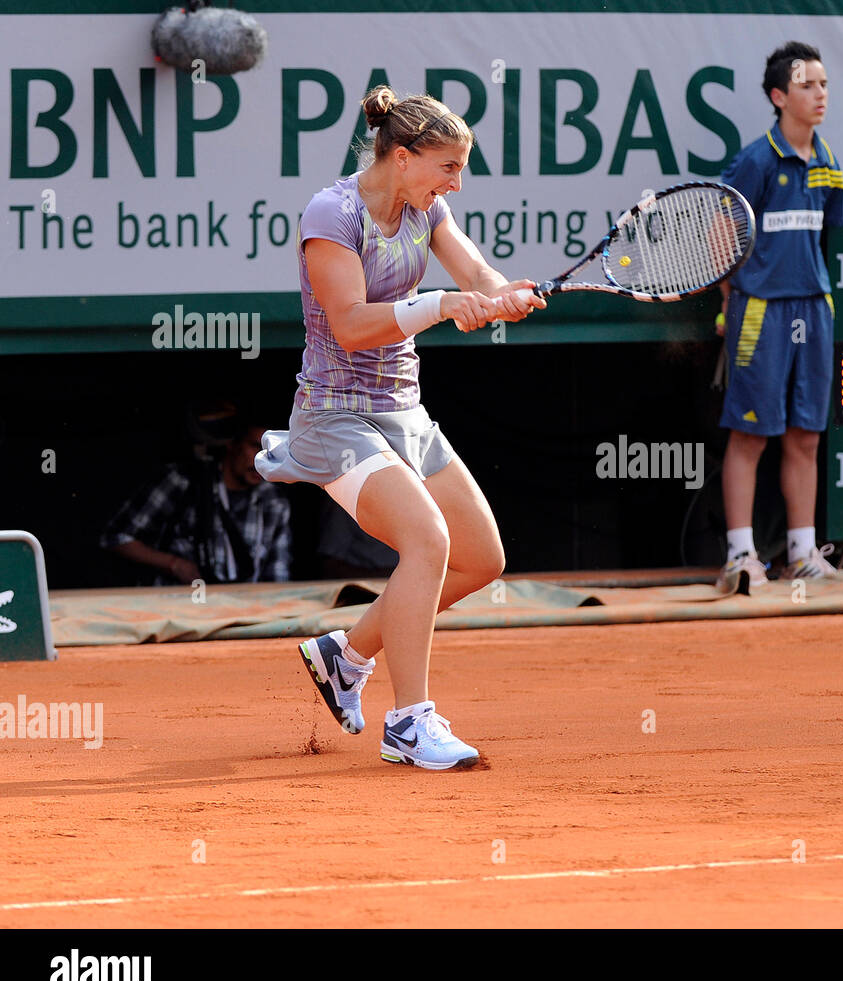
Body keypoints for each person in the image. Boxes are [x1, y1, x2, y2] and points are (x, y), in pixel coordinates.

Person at [256, 85, 543, 771]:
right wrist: (443, 305)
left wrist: (501, 297)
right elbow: (352, 326)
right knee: (427, 539)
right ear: (405, 157)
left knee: (481, 556)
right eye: (448, 167)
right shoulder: (334, 212)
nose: (457, 184)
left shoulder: (427, 207)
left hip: (405, 411)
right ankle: (409, 723)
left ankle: (345, 653)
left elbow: (476, 272)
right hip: (335, 415)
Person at [714, 41, 843, 593]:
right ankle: (740, 557)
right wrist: (730, 300)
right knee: (750, 438)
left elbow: (828, 235)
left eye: (823, 84)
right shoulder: (754, 162)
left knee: (806, 437)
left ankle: (802, 551)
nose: (819, 94)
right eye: (807, 85)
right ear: (778, 96)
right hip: (759, 314)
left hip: (813, 308)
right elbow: (724, 232)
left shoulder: (829, 162)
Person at [102, 411, 291, 585]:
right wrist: (174, 564)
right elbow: (116, 537)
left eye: (274, 453)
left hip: (242, 612)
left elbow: (277, 574)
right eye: (257, 447)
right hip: (179, 611)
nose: (265, 460)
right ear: (232, 443)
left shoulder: (274, 501)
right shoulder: (182, 481)